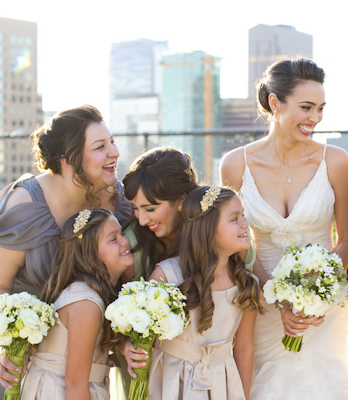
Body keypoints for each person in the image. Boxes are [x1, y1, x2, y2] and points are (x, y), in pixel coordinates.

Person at [220, 58, 348, 399]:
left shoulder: (336, 161)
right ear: (274, 103)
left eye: (321, 108)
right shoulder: (236, 164)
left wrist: (315, 294)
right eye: (307, 107)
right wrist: (278, 298)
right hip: (261, 302)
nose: (315, 118)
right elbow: (237, 244)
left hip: (323, 308)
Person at [0, 105, 130, 391]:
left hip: (89, 364)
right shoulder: (25, 206)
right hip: (25, 362)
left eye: (112, 141)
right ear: (67, 161)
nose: (114, 152)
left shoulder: (114, 199)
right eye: (100, 146)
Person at [147, 186, 262, 399]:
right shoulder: (167, 276)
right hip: (171, 382)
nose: (245, 223)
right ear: (207, 229)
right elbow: (143, 338)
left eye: (243, 215)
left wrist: (242, 395)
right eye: (234, 218)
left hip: (220, 384)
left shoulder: (246, 284)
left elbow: (244, 349)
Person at [21, 209, 133, 399]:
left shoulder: (89, 294)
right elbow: (74, 384)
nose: (124, 241)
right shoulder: (86, 303)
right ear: (90, 258)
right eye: (113, 239)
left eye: (121, 233)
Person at [122, 147, 199, 282]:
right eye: (135, 208)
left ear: (181, 199)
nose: (142, 221)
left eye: (150, 209)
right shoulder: (131, 243)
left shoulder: (212, 225)